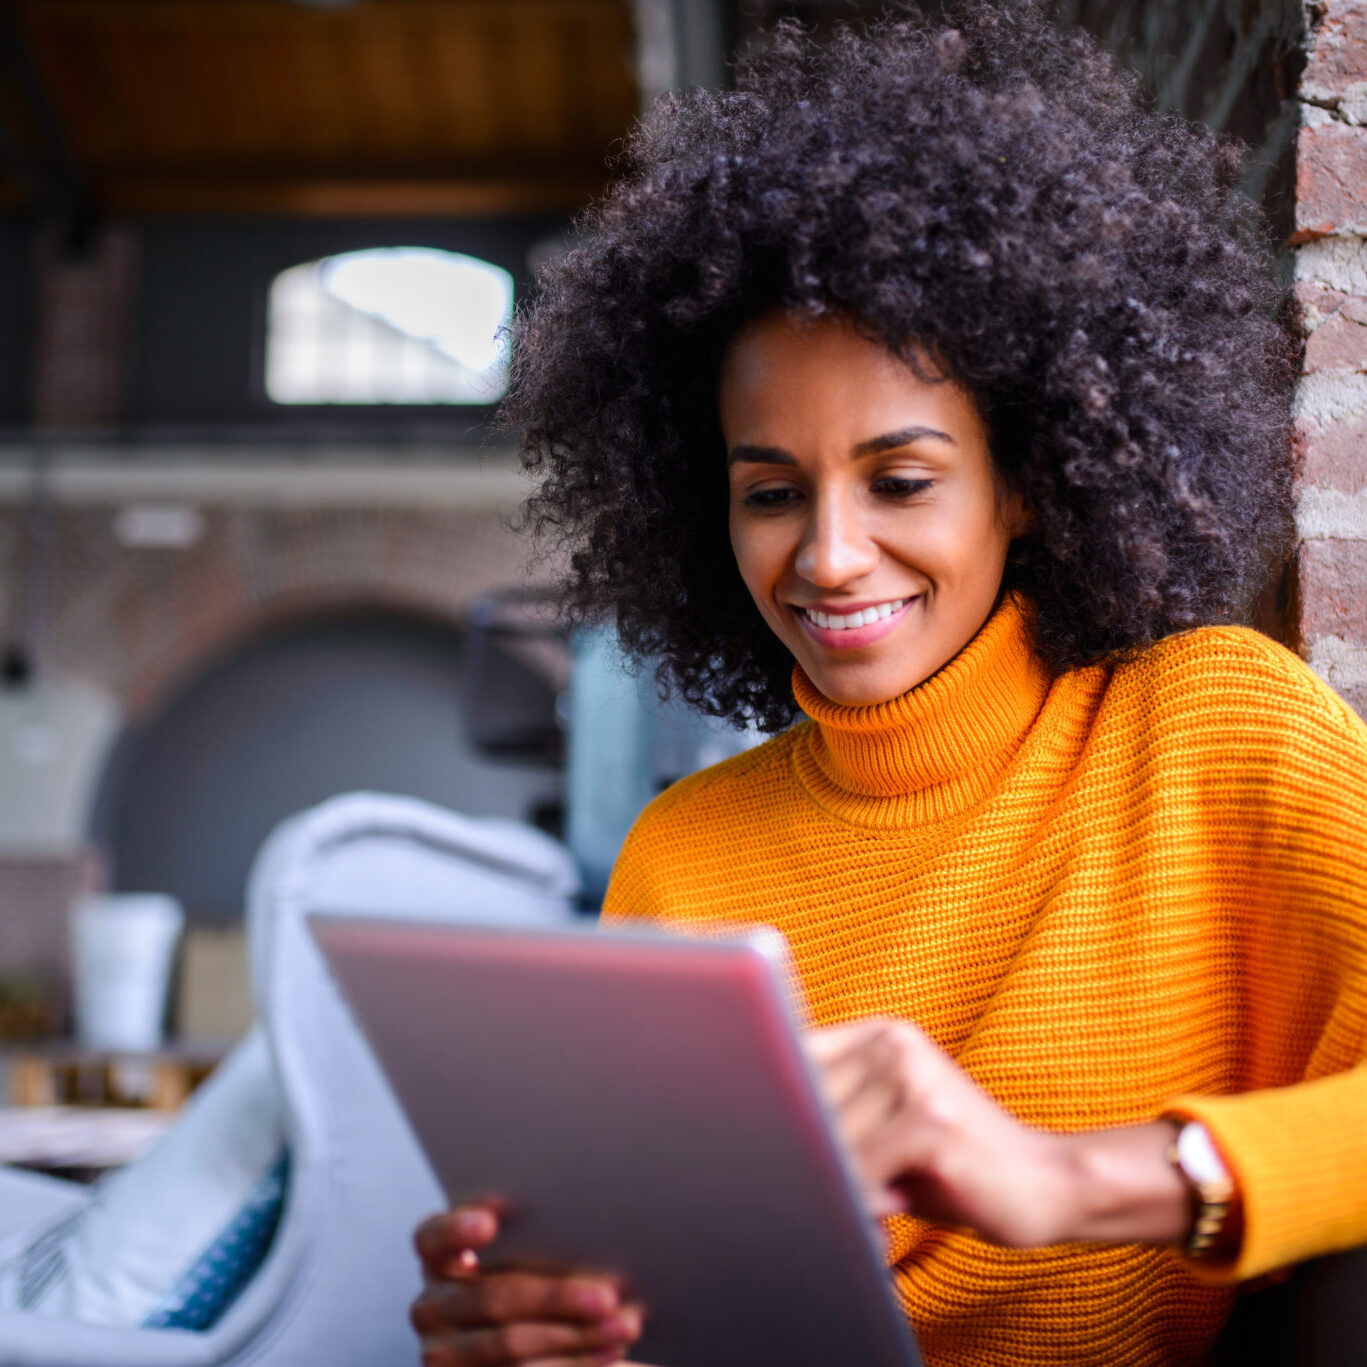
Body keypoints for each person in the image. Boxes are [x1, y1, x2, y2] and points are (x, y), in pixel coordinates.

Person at [410, 4, 1367, 1364]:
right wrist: (551, 1335)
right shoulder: (683, 854)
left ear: (1028, 482)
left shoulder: (1207, 728)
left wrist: (1073, 1179)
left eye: (901, 480)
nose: (828, 555)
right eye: (770, 493)